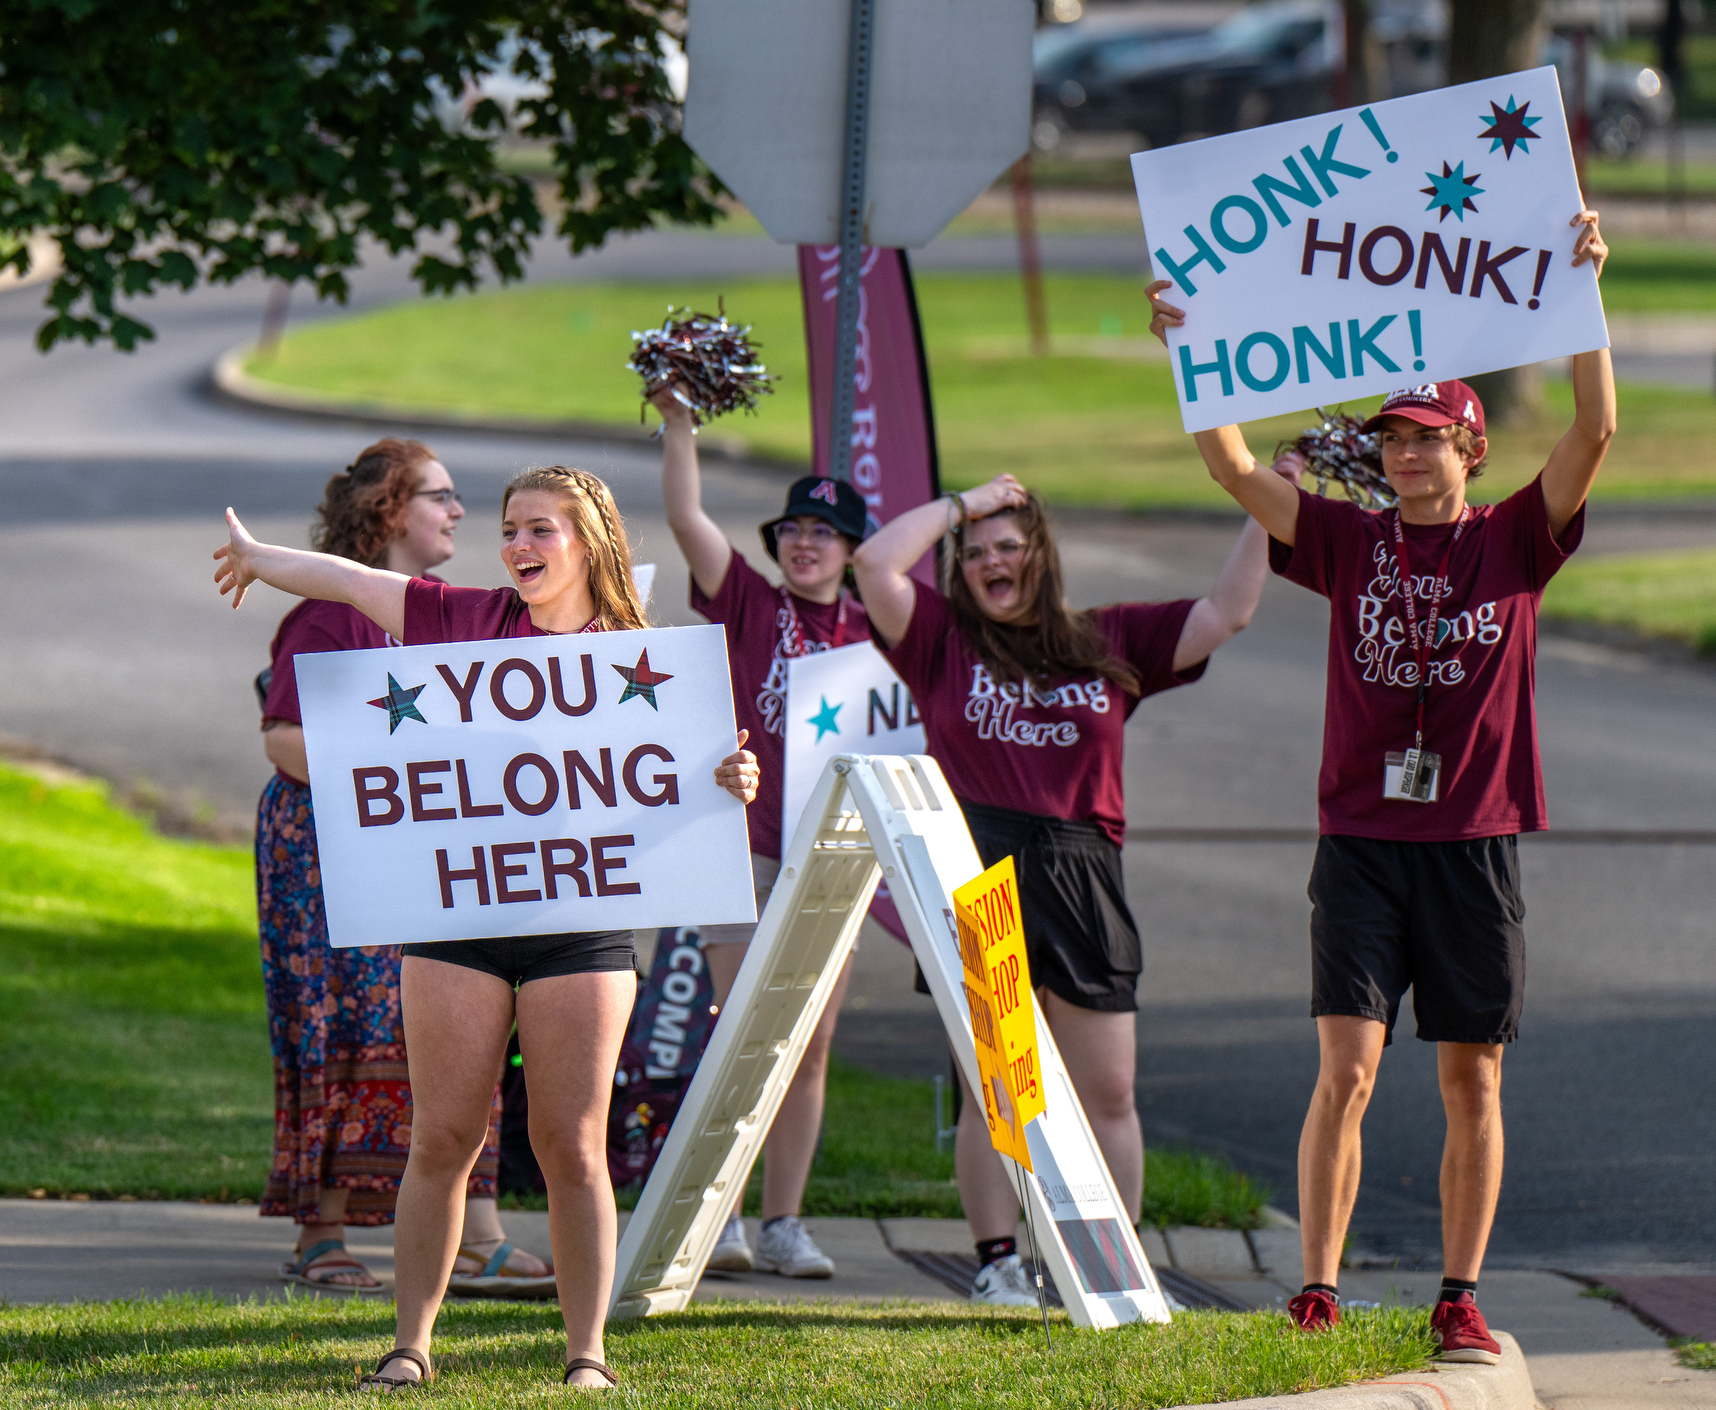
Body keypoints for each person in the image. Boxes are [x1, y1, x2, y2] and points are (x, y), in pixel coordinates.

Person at [1147, 209, 1613, 1361]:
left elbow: (1594, 427)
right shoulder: (1350, 543)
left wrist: (1582, 297)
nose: (1405, 455)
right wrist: (1189, 349)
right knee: (1345, 1067)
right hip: (1357, 840)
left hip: (1472, 844)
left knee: (1470, 1078)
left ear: (1469, 452)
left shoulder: (1512, 542)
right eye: (1390, 440)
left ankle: (1457, 1291)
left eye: (1427, 439)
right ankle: (1315, 1287)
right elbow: (1231, 465)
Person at [216, 464, 762, 1392]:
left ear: (588, 540)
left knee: (572, 1144)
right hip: (456, 917)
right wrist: (260, 558)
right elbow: (351, 582)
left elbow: (692, 774)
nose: (518, 546)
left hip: (582, 924)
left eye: (541, 530)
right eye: (510, 529)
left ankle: (586, 1354)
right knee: (443, 1137)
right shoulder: (465, 619)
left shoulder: (642, 656)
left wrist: (732, 780)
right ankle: (410, 1345)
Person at [852, 466, 1291, 1304]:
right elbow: (875, 565)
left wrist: (1267, 496)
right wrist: (966, 503)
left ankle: (1108, 1263)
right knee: (999, 1093)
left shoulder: (1109, 638)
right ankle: (997, 1263)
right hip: (982, 870)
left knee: (1109, 1090)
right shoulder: (942, 640)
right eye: (976, 551)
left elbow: (1226, 612)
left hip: (1086, 870)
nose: (991, 561)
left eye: (1009, 545)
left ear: (1041, 555)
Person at [256, 438, 548, 1296]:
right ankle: (323, 1231)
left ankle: (472, 1233)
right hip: (326, 853)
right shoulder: (329, 614)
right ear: (389, 508)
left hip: (428, 847)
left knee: (465, 1024)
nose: (459, 513)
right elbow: (283, 741)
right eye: (442, 497)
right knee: (344, 1028)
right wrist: (404, 765)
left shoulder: (461, 613)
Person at [653, 388, 873, 1279]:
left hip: (833, 852)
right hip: (741, 843)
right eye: (793, 530)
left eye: (825, 533)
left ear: (853, 551)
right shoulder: (747, 601)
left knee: (811, 1040)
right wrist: (679, 426)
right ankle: (724, 1217)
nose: (806, 542)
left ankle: (786, 1222)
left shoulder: (874, 631)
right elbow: (685, 515)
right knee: (741, 1028)